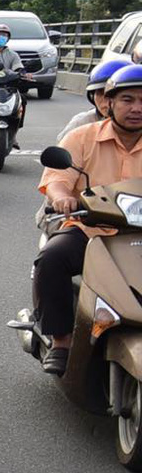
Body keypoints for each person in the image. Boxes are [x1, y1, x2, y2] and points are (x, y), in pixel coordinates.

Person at [33, 63, 142, 374]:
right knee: (52, 258)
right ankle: (62, 340)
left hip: (139, 234)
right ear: (108, 102)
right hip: (91, 229)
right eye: (128, 100)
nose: (136, 108)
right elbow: (57, 178)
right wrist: (62, 197)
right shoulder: (82, 137)